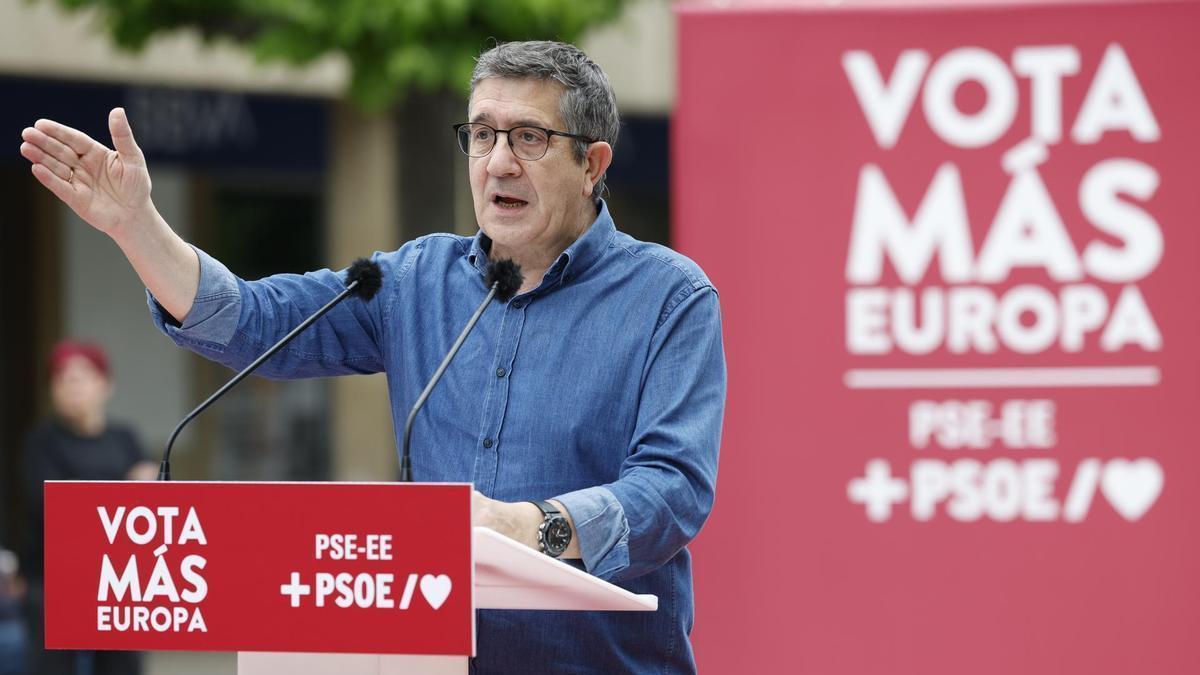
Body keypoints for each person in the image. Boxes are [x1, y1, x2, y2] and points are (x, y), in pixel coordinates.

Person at [19, 41, 725, 673]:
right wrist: (136, 228)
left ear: (591, 162)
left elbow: (671, 490)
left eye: (530, 137)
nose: (499, 161)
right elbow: (254, 322)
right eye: (482, 135)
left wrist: (529, 525)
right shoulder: (415, 280)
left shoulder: (670, 297)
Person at [20, 341, 155, 675]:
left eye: (82, 377)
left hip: (119, 574)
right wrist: (124, 488)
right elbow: (50, 504)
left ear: (105, 384)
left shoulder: (125, 438)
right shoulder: (42, 441)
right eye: (62, 378)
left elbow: (151, 501)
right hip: (53, 572)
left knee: (122, 663)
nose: (72, 386)